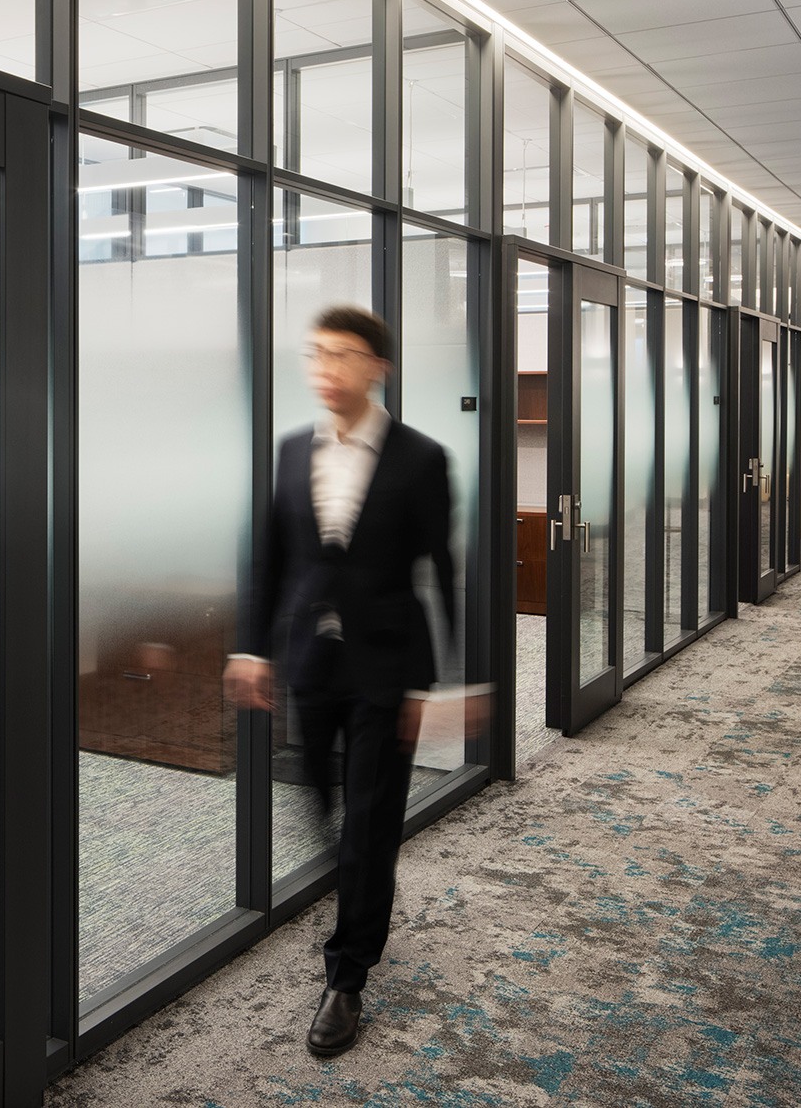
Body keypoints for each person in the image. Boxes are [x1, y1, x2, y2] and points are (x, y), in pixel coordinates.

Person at [224, 304, 464, 1059]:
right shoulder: (292, 450)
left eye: (342, 354)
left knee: (369, 818)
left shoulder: (422, 459)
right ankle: (359, 883)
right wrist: (252, 648)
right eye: (315, 353)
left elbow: (442, 572)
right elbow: (269, 556)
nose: (325, 368)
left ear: (377, 367)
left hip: (386, 667)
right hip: (308, 661)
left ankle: (347, 973)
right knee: (321, 805)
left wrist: (442, 684)